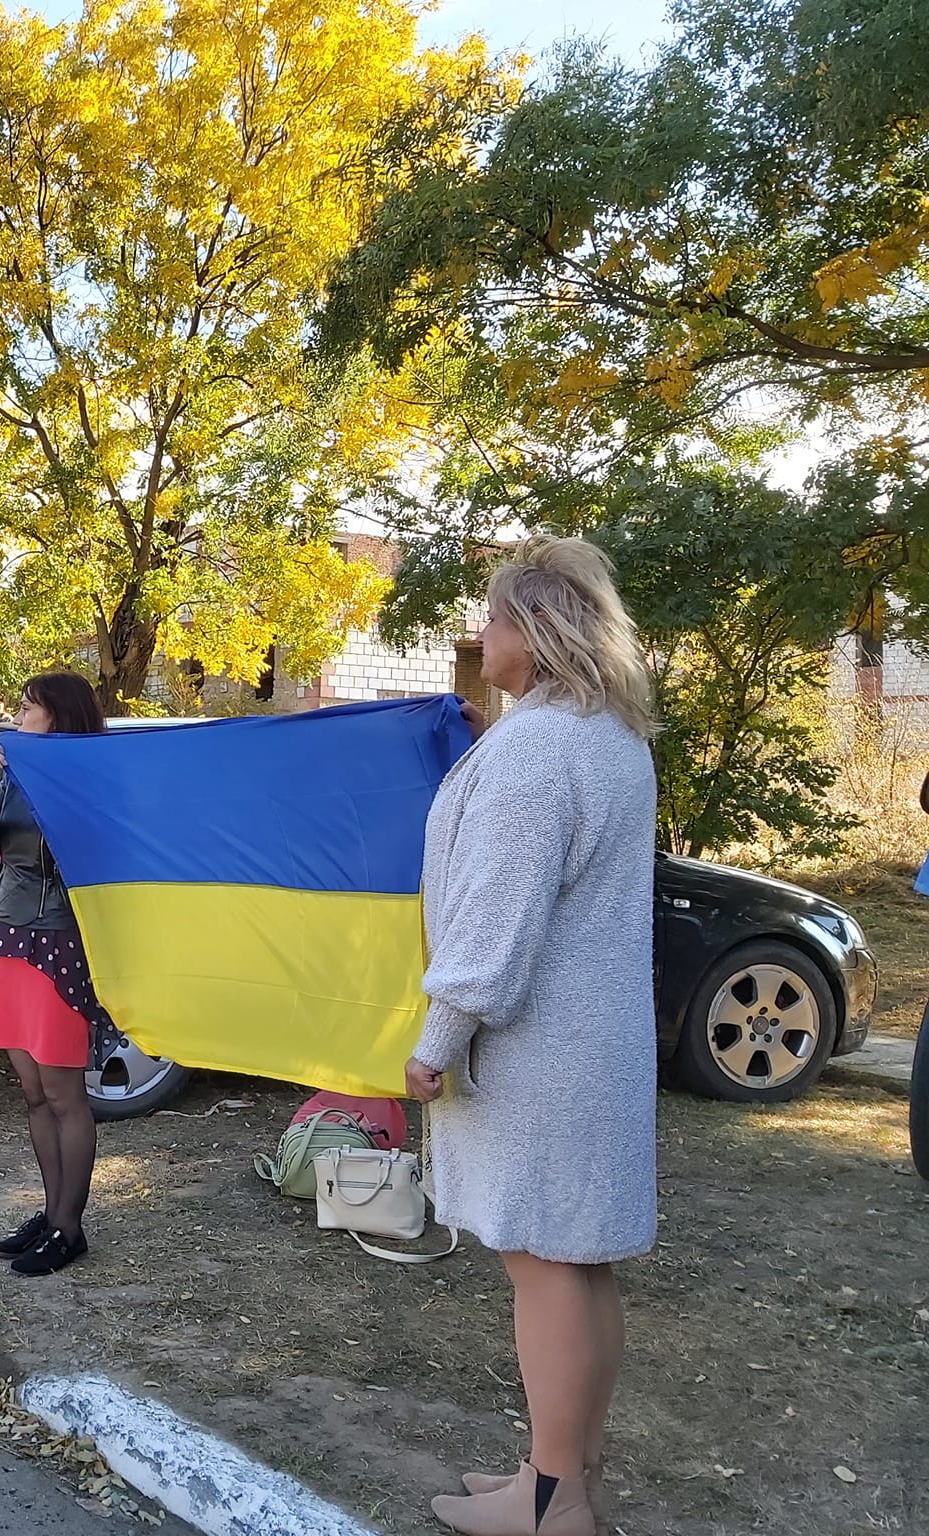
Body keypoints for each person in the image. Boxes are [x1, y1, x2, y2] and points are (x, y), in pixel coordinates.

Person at [402, 537, 659, 1536]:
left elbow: (493, 919)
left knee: (541, 1267)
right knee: (572, 1265)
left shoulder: (538, 749)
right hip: (586, 1047)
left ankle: (550, 1507)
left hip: (536, 1054)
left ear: (539, 629)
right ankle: (562, 1481)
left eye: (495, 616)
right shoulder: (605, 735)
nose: (480, 633)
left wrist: (434, 1037)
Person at [0, 671, 110, 1276]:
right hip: (8, 934)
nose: (18, 716)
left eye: (29, 708)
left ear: (61, 716)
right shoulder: (12, 776)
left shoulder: (87, 779)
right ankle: (50, 1214)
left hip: (58, 940)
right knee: (30, 1091)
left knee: (62, 1093)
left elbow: (85, 855)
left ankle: (70, 1228)